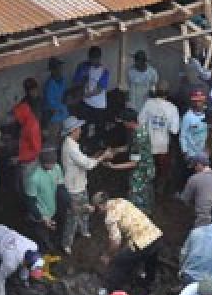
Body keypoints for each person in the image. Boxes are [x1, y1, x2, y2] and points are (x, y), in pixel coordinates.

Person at [93, 192, 164, 292]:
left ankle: (107, 291)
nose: (98, 211)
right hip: (155, 235)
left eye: (97, 208)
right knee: (150, 260)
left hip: (142, 243)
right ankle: (149, 283)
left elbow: (116, 241)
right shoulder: (121, 201)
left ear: (100, 206)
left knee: (117, 262)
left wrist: (108, 255)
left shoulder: (110, 218)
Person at [60, 116, 111, 254]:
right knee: (73, 215)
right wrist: (102, 157)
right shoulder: (70, 147)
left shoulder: (71, 144)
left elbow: (84, 160)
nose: (81, 131)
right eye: (79, 128)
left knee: (85, 211)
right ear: (73, 131)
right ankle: (66, 244)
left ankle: (84, 230)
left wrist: (95, 157)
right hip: (74, 188)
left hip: (80, 184)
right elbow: (88, 165)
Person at [105, 108, 156, 215]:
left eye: (124, 122)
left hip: (141, 172)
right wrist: (115, 150)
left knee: (137, 200)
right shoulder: (139, 130)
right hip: (146, 169)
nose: (123, 124)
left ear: (130, 121)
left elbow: (133, 163)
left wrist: (113, 166)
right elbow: (130, 147)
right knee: (146, 195)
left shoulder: (138, 136)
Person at [0, 225, 45, 295]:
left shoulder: (33, 246)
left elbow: (27, 265)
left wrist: (24, 279)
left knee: (10, 259)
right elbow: (0, 278)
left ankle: (22, 278)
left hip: (1, 229)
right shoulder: (10, 263)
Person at [138, 84, 179, 194]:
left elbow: (140, 121)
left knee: (146, 166)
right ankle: (160, 187)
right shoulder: (172, 108)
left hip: (148, 142)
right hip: (163, 145)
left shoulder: (148, 103)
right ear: (167, 94)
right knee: (162, 169)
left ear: (155, 92)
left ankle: (145, 186)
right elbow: (174, 130)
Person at [22, 147, 65, 251]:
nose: (53, 166)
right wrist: (42, 217)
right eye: (50, 164)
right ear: (42, 162)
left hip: (53, 209)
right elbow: (30, 202)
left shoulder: (56, 167)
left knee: (53, 232)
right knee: (42, 239)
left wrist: (69, 202)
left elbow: (60, 188)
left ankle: (52, 246)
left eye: (54, 162)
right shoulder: (33, 177)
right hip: (40, 215)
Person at [72, 46, 110, 141]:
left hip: (99, 106)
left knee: (99, 130)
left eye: (95, 57)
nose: (93, 60)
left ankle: (98, 149)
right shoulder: (84, 66)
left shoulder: (104, 71)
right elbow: (76, 81)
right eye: (91, 57)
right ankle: (83, 147)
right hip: (86, 104)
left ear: (99, 57)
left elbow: (99, 89)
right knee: (83, 128)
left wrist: (83, 96)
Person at [180, 151, 212, 228]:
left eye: (195, 166)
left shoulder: (194, 179)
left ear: (199, 165)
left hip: (203, 220)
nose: (194, 169)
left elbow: (185, 199)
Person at [12, 78, 43, 180]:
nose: (34, 91)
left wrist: (20, 158)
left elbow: (36, 149)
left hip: (30, 159)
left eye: (35, 89)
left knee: (29, 181)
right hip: (26, 153)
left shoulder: (31, 126)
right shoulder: (24, 104)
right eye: (31, 90)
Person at [178, 88, 209, 186]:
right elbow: (182, 135)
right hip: (191, 153)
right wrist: (185, 152)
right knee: (190, 175)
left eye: (200, 101)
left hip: (203, 151)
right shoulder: (188, 117)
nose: (198, 103)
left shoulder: (207, 114)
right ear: (192, 102)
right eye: (196, 101)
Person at [126, 50, 159, 114]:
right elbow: (127, 87)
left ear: (143, 61)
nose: (135, 62)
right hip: (133, 103)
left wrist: (153, 96)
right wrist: (127, 101)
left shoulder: (152, 72)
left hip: (146, 102)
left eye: (138, 60)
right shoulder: (130, 71)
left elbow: (154, 87)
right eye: (135, 60)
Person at [42, 57, 69, 134]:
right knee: (54, 139)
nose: (60, 70)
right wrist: (63, 104)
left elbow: (65, 94)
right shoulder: (49, 85)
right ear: (52, 70)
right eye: (58, 68)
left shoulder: (62, 80)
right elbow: (51, 103)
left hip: (64, 115)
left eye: (61, 68)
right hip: (54, 118)